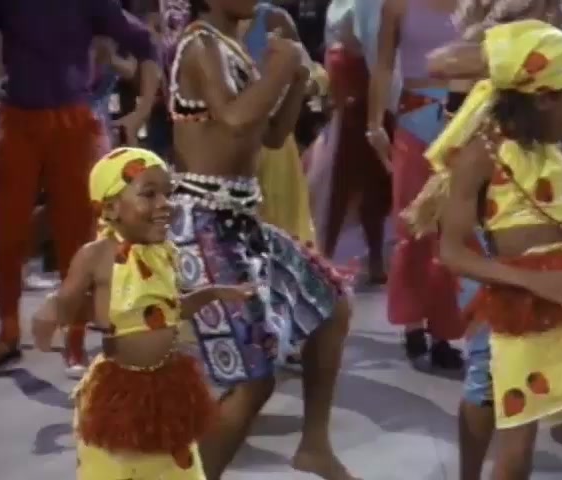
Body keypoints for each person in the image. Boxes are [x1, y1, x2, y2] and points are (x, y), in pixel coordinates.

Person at [407, 19, 562, 479]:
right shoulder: (482, 155)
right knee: (503, 421)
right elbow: (452, 253)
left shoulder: (544, 133)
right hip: (516, 298)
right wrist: (535, 281)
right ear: (543, 98)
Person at [165, 1, 356, 479]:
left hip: (240, 219)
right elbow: (234, 119)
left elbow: (269, 136)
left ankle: (314, 446)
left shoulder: (231, 46)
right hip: (202, 224)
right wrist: (282, 68)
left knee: (332, 305)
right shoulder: (200, 44)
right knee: (254, 380)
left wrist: (293, 82)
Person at [32, 147, 254, 479]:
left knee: (178, 466)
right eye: (149, 194)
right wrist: (50, 311)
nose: (165, 203)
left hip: (169, 384)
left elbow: (171, 310)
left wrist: (213, 293)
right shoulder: (97, 255)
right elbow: (66, 300)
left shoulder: (164, 253)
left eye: (168, 193)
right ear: (111, 208)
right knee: (117, 467)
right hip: (120, 390)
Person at [0, 0, 159, 377]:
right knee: (7, 232)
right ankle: (8, 336)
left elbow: (145, 43)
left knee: (76, 236)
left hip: (73, 125)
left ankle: (75, 344)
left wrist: (142, 110)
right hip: (20, 122)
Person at [368, 0, 466, 369]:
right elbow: (382, 65)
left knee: (455, 226)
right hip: (414, 120)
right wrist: (374, 123)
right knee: (412, 224)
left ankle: (445, 331)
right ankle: (412, 325)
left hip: (465, 119)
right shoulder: (397, 5)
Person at [309, 0, 393, 283]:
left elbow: (374, 50)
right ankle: (325, 256)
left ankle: (369, 257)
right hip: (346, 95)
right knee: (339, 180)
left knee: (369, 181)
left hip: (364, 94)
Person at [240, 0, 323, 245]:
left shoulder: (273, 19)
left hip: (274, 149)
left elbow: (312, 76)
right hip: (229, 153)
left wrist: (286, 83)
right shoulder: (203, 33)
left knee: (283, 235)